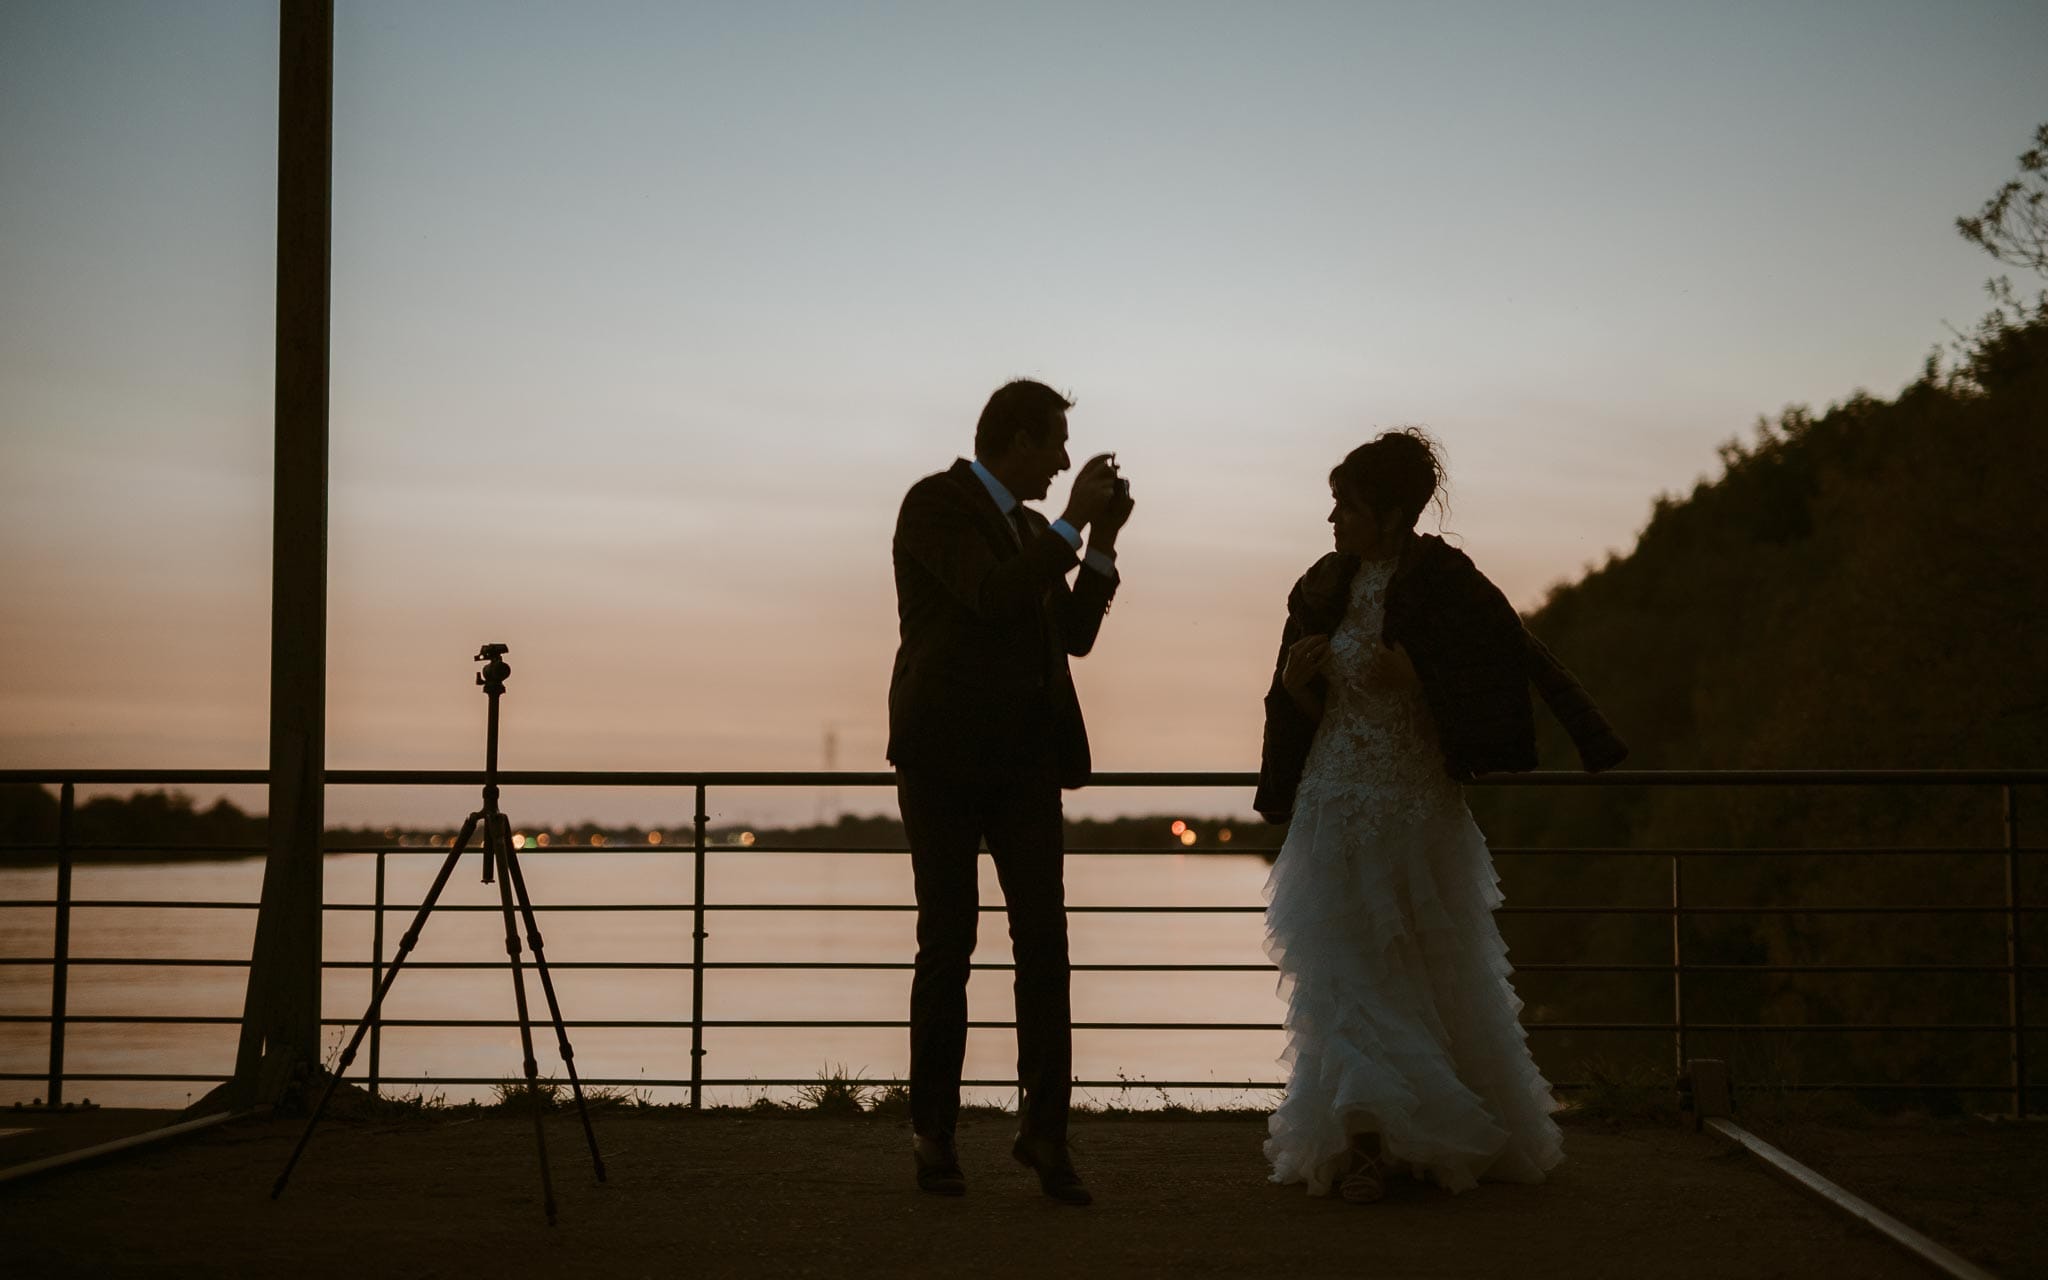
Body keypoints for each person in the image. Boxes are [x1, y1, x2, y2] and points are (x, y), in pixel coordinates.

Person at [1254, 428, 1626, 1203]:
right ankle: (1364, 1145)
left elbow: (1500, 679)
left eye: (1346, 506)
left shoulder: (1450, 584)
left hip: (1415, 809)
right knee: (1340, 976)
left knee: (1419, 977)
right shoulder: (1321, 585)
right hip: (1331, 806)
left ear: (1390, 515)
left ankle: (1416, 1143)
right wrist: (1295, 690)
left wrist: (1419, 680)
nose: (1332, 520)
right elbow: (1308, 709)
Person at [887, 378, 1135, 1205]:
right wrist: (1069, 521)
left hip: (1028, 764)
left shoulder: (1035, 529)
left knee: (1046, 951)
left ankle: (1046, 1136)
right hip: (943, 762)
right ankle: (934, 1135)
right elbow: (990, 594)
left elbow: (1073, 637)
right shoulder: (934, 505)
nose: (1066, 458)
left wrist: (1096, 540)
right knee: (947, 946)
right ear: (1019, 441)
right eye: (1057, 443)